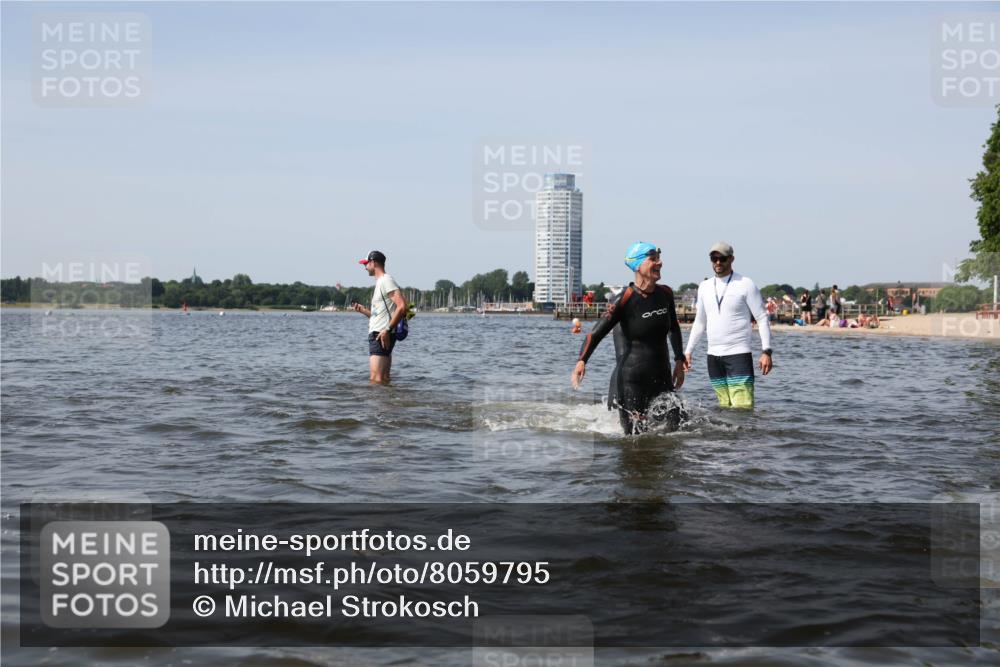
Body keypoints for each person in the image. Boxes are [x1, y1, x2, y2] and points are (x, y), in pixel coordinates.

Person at [571, 242, 686, 434]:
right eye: (653, 258)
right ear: (638, 265)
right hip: (633, 381)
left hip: (662, 378)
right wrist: (581, 361)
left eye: (659, 257)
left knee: (678, 429)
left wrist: (679, 361)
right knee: (634, 440)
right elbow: (595, 334)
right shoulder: (624, 299)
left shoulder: (665, 294)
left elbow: (674, 328)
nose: (660, 262)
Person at [682, 242, 773, 409]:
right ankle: (725, 438)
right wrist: (688, 352)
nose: (717, 262)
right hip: (713, 357)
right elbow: (700, 322)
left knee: (742, 409)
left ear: (731, 259)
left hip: (738, 355)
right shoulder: (704, 286)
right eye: (713, 258)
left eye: (722, 258)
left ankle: (746, 435)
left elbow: (761, 318)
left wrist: (766, 351)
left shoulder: (745, 284)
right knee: (723, 408)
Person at [352, 250, 407, 384]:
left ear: (374, 262)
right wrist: (364, 311)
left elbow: (402, 306)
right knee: (383, 379)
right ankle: (386, 404)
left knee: (376, 379)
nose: (365, 267)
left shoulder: (385, 280)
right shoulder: (381, 282)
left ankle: (377, 405)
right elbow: (380, 316)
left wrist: (387, 330)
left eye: (366, 264)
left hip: (380, 335)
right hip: (381, 332)